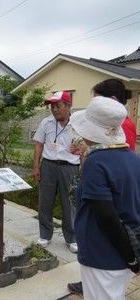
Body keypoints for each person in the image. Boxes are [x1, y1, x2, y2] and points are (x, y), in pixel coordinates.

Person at [67, 78, 136, 296]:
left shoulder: (97, 163)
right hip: (124, 252)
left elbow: (106, 215)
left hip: (102, 254)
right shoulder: (132, 158)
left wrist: (132, 258)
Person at [32, 91, 80, 253]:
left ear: (68, 106)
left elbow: (87, 146)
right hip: (49, 166)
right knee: (45, 202)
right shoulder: (46, 123)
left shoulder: (78, 124)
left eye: (58, 106)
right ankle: (45, 234)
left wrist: (81, 150)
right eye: (52, 106)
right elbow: (38, 145)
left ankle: (72, 237)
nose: (54, 109)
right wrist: (36, 166)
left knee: (70, 204)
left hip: (70, 168)